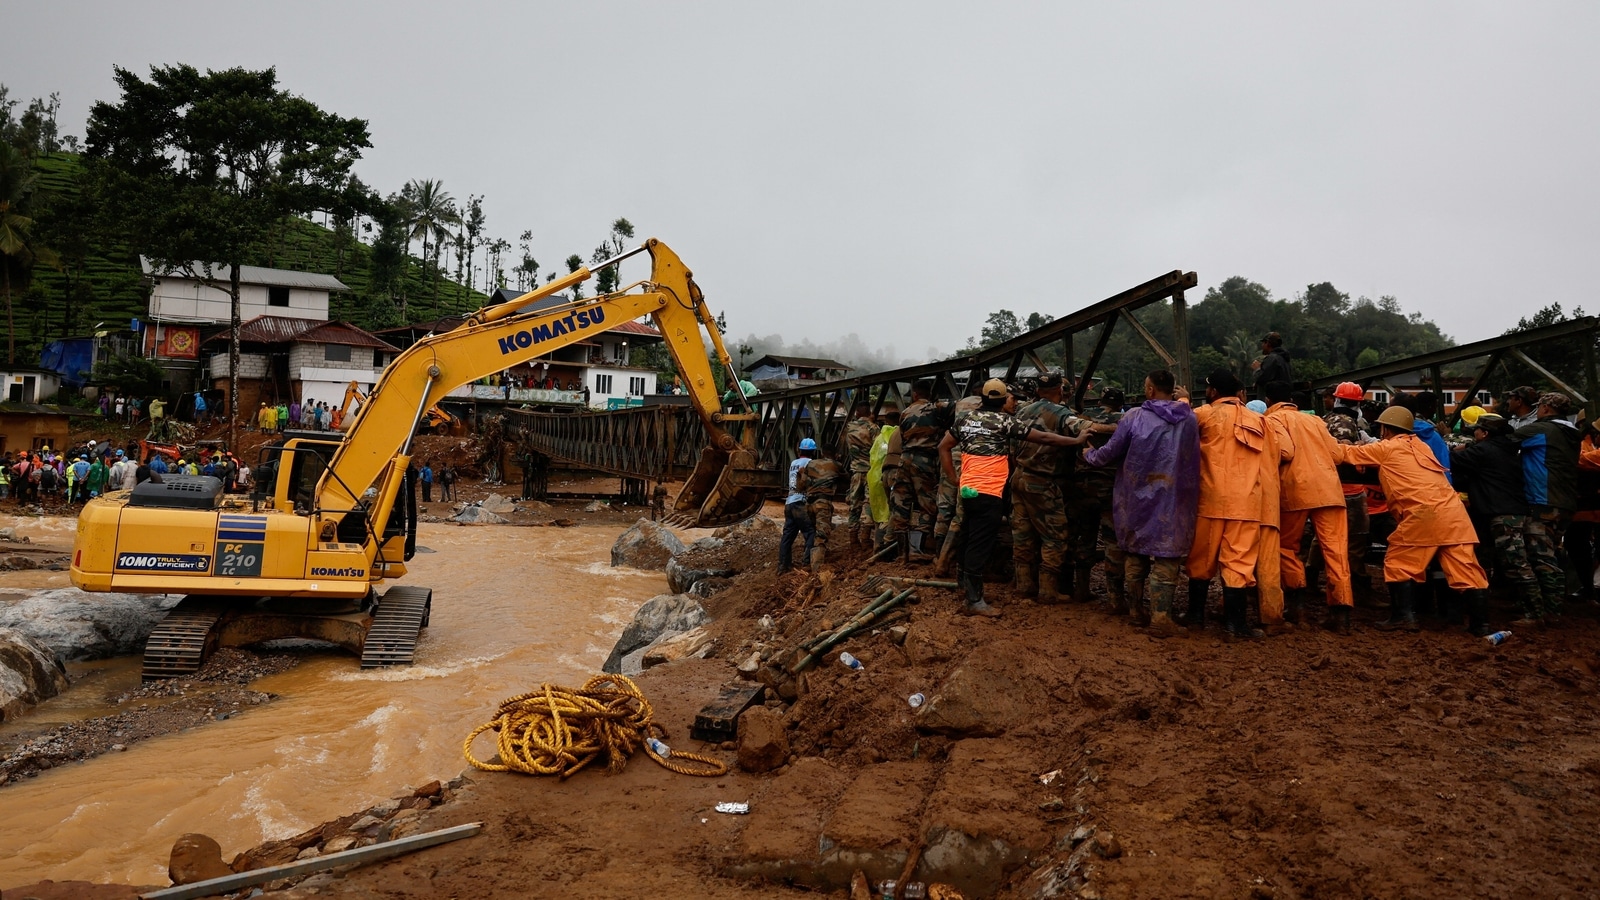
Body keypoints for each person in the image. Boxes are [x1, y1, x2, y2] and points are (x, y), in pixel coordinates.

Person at [938, 378, 1088, 617]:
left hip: (967, 487)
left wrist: (953, 477)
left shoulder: (965, 419)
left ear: (984, 398)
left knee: (967, 535)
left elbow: (943, 447)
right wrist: (1077, 440)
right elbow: (1045, 438)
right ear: (1002, 400)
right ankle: (974, 600)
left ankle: (963, 585)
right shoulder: (1005, 421)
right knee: (980, 542)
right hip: (989, 490)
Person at [1335, 405, 1491, 634]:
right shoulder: (1422, 446)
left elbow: (1345, 455)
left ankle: (1403, 617)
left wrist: (1325, 440)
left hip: (1423, 514)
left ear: (1386, 428)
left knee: (1399, 563)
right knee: (1466, 569)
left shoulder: (1387, 448)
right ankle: (1481, 625)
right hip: (1454, 515)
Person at [1081, 369, 1199, 636]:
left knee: (1135, 552)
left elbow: (1110, 452)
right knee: (1167, 558)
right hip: (1175, 498)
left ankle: (1136, 612)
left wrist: (1089, 454)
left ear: (1149, 390)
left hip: (1135, 497)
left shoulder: (1134, 417)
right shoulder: (1189, 418)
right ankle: (1161, 617)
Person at [1185, 370, 1287, 640]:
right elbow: (1274, 460)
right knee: (1239, 564)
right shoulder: (1260, 421)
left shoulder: (1202, 414)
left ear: (1213, 392)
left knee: (1200, 561)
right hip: (1246, 504)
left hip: (1209, 501)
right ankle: (1235, 625)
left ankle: (1194, 617)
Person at [1264, 381, 1355, 633]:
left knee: (1287, 548)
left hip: (1295, 491)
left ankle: (1297, 609)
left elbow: (1285, 451)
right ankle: (1341, 616)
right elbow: (1337, 455)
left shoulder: (1273, 421)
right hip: (1329, 491)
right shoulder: (1316, 421)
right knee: (1336, 551)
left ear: (1270, 401)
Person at [1010, 372, 1093, 604]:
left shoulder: (1022, 411)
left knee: (1022, 532)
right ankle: (1048, 590)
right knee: (1055, 536)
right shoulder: (1062, 414)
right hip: (1043, 481)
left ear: (1037, 390)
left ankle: (1024, 584)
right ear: (1060, 390)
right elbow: (1088, 426)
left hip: (1019, 477)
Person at [1451, 413, 1539, 626]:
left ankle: (1535, 613)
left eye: (1477, 430)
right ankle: (1528, 605)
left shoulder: (1483, 450)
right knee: (1513, 560)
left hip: (1502, 513)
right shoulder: (1507, 449)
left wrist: (1456, 448)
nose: (1475, 433)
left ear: (1485, 433)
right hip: (1515, 510)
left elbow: (1450, 459)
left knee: (1515, 562)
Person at [1512, 392, 1580, 624]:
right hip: (1565, 502)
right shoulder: (1571, 432)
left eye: (1539, 406)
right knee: (1552, 553)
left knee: (1541, 556)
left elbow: (1505, 439)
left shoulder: (1543, 430)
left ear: (1546, 408)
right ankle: (1553, 607)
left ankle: (1545, 613)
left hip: (1543, 501)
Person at [1068, 386, 1127, 605]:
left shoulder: (1083, 418)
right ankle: (1115, 598)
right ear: (1120, 404)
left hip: (1082, 488)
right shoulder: (1125, 420)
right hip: (1111, 490)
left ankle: (1081, 589)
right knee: (1112, 542)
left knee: (1084, 537)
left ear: (1101, 401)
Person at [896, 381, 948, 560]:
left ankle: (902, 553)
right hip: (925, 460)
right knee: (927, 504)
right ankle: (918, 549)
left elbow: (902, 437)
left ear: (915, 395)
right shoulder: (936, 409)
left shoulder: (905, 412)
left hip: (905, 459)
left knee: (901, 502)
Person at [796, 446, 844, 569]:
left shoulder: (811, 463)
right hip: (823, 503)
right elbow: (846, 480)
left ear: (822, 453)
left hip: (809, 504)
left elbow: (800, 486)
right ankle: (816, 568)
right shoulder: (836, 465)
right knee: (821, 536)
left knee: (812, 532)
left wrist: (800, 475)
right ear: (836, 454)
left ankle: (806, 561)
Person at [778, 438, 819, 573]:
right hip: (800, 502)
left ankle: (783, 566)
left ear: (800, 450)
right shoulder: (810, 463)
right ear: (813, 451)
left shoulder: (793, 463)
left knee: (787, 536)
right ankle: (807, 563)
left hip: (789, 502)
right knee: (810, 532)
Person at [844, 403, 878, 546]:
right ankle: (865, 536)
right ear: (869, 413)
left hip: (856, 471)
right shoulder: (873, 428)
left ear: (857, 413)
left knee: (854, 503)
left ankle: (853, 537)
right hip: (870, 471)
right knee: (868, 502)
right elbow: (878, 449)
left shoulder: (850, 427)